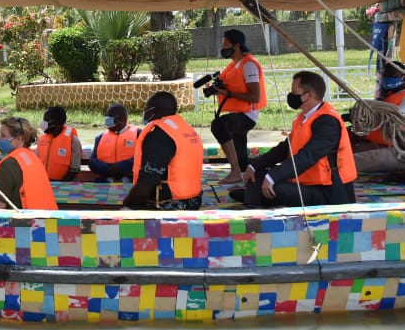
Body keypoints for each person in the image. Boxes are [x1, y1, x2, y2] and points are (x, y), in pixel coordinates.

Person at [232, 71, 357, 208]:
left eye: (294, 92)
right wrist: (254, 165)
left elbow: (307, 157)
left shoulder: (327, 121)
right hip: (304, 181)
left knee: (275, 185)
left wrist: (273, 176)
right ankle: (254, 197)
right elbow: (284, 148)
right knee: (258, 173)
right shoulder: (304, 118)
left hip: (328, 191)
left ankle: (253, 200)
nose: (291, 96)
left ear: (309, 95)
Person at [123, 91, 204, 210]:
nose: (145, 112)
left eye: (146, 108)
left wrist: (127, 205)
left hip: (170, 205)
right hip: (194, 200)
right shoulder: (185, 129)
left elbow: (145, 185)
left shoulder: (159, 135)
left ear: (154, 110)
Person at [209, 28, 267, 184]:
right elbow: (231, 88)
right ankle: (261, 171)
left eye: (226, 44)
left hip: (247, 115)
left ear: (237, 45)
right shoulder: (233, 65)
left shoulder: (249, 65)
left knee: (219, 126)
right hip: (237, 112)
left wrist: (228, 94)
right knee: (243, 162)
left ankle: (235, 172)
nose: (223, 48)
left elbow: (255, 96)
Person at [0, 116, 57, 210]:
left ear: (19, 139)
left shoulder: (9, 164)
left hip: (22, 223)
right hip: (46, 221)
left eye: (3, 135)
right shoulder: (33, 158)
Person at [350, 60, 405, 173]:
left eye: (393, 75)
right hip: (378, 145)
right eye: (386, 75)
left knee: (345, 162)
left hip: (396, 151)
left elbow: (400, 124)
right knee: (339, 154)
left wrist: (384, 119)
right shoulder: (388, 97)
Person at [88, 103, 139, 182]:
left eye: (109, 119)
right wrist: (108, 169)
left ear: (121, 119)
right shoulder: (100, 137)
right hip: (105, 177)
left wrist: (121, 167)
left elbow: (144, 157)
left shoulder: (138, 134)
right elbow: (92, 161)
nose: (106, 121)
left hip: (130, 178)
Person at [34, 106, 82, 181]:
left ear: (56, 123)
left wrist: (59, 184)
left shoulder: (73, 141)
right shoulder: (42, 139)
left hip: (65, 183)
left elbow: (74, 169)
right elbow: (36, 163)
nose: (42, 123)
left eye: (46, 120)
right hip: (42, 181)